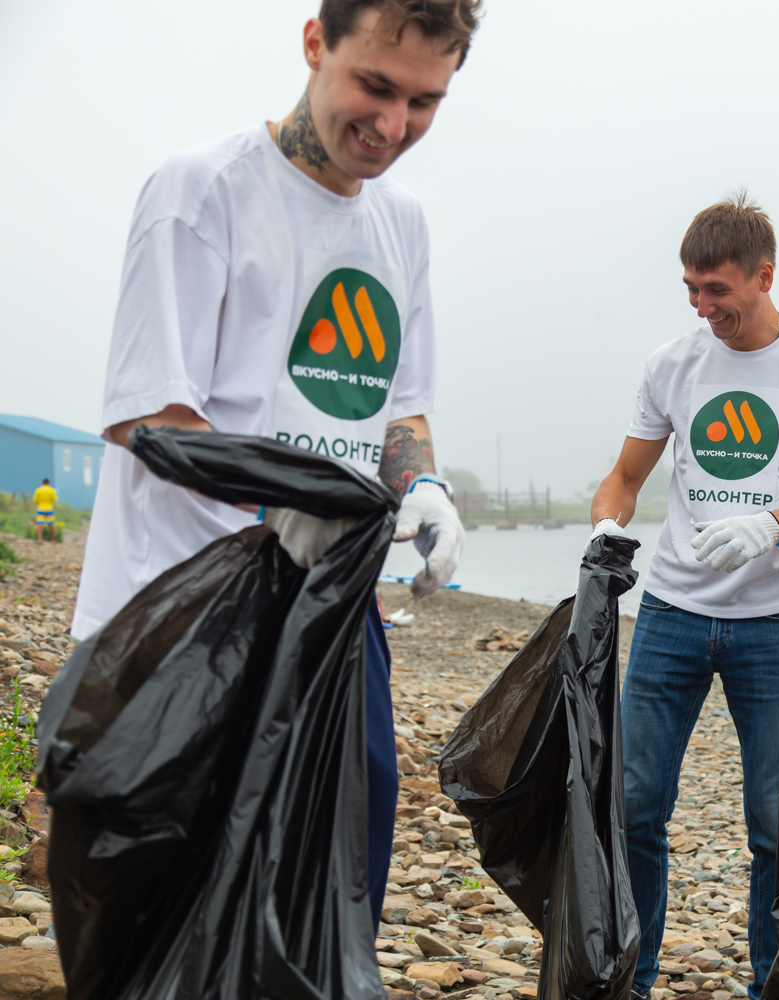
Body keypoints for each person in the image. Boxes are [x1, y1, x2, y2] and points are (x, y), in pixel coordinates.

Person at [70, 0, 480, 934]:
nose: (391, 126)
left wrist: (421, 485)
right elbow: (151, 420)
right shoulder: (201, 192)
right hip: (181, 614)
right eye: (374, 85)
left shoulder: (402, 223)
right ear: (313, 43)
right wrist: (289, 502)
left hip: (332, 608)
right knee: (177, 904)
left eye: (424, 103)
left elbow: (397, 401)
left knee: (344, 866)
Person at [591, 194, 779, 1000]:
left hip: (773, 627)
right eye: (690, 288)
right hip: (670, 617)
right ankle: (632, 980)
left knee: (775, 827)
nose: (701, 306)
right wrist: (606, 532)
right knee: (635, 809)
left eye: (716, 290)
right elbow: (623, 479)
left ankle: (769, 987)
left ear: (765, 276)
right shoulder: (672, 365)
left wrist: (773, 526)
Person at [32, 479, 57, 544]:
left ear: (42, 483)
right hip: (49, 509)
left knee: (40, 525)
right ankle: (52, 540)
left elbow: (35, 500)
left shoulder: (38, 490)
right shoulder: (51, 490)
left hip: (40, 508)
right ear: (48, 483)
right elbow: (54, 499)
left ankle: (39, 539)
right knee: (51, 525)